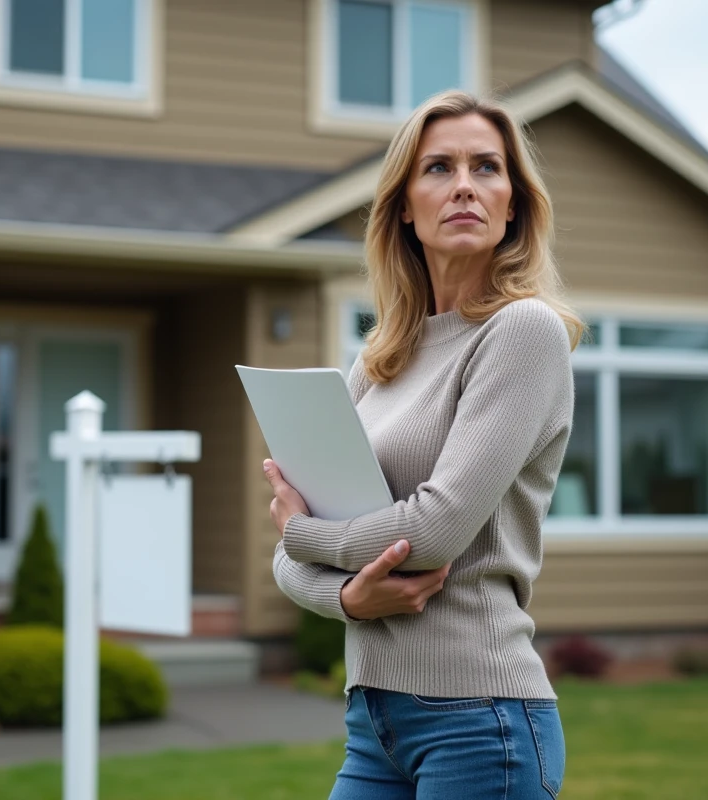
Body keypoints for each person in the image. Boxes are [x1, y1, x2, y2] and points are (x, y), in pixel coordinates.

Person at [264, 89, 585, 799]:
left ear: (513, 204)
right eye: (438, 167)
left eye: (487, 168)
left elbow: (434, 530)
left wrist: (303, 530)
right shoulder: (379, 359)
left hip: (479, 721)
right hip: (373, 717)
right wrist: (352, 598)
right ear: (405, 206)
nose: (465, 185)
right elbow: (285, 563)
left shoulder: (522, 332)